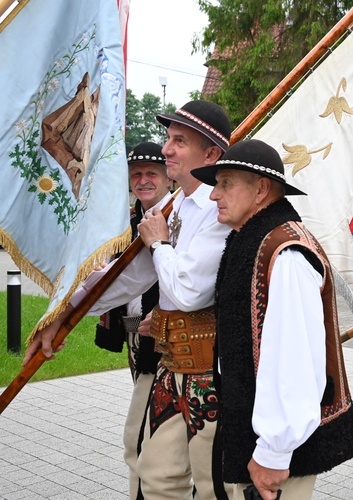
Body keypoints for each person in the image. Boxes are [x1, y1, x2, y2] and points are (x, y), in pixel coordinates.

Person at [25, 100, 234, 499]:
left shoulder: (217, 209)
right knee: (156, 477)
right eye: (168, 139)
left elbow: (189, 292)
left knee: (212, 488)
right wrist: (63, 313)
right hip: (174, 366)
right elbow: (125, 276)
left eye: (179, 141)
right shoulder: (176, 208)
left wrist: (158, 244)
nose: (167, 149)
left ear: (211, 154)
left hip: (213, 371)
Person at [191, 139, 353, 500]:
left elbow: (294, 361)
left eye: (225, 183)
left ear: (261, 189)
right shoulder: (256, 241)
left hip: (280, 450)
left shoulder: (285, 253)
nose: (213, 195)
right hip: (260, 437)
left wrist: (273, 451)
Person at [93, 142, 172, 499]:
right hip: (135, 332)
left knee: (145, 435)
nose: (142, 180)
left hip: (172, 337)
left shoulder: (180, 219)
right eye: (136, 174)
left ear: (168, 177)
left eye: (151, 173)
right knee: (146, 426)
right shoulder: (123, 223)